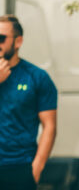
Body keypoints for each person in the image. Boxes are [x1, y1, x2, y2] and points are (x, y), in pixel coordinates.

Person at [0, 14, 57, 190]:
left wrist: (36, 168)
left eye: (1, 38)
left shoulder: (37, 78)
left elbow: (49, 126)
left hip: (20, 166)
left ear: (18, 41)